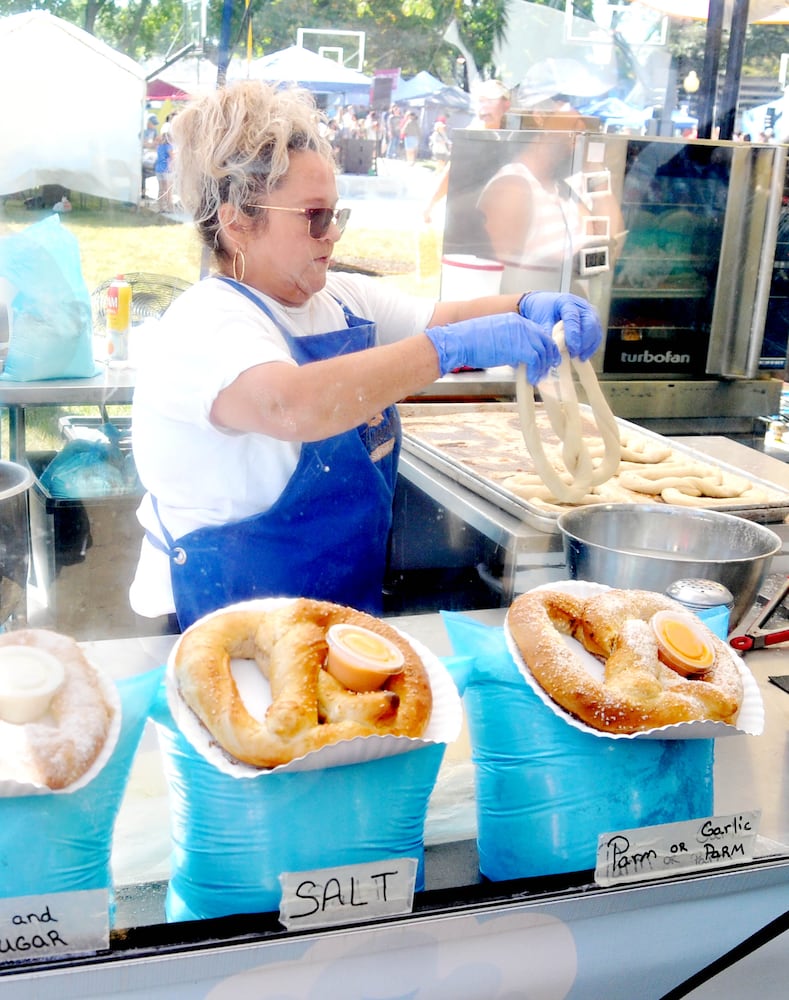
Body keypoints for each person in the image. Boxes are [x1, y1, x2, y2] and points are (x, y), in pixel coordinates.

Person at [129, 80, 603, 632]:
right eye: (314, 217)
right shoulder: (206, 323)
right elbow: (291, 406)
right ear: (237, 221)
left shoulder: (341, 301)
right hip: (213, 619)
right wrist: (449, 351)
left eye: (337, 216)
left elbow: (443, 318)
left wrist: (526, 305)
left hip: (328, 614)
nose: (332, 236)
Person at [424, 79, 511, 223]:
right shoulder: (471, 135)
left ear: (506, 105)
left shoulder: (515, 137)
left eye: (490, 101)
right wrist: (430, 205)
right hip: (472, 219)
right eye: (481, 101)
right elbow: (452, 172)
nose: (484, 107)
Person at [154, 127, 173, 212]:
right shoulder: (169, 146)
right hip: (166, 170)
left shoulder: (159, 147)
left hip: (158, 169)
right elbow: (173, 157)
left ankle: (160, 207)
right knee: (168, 190)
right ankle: (169, 208)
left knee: (161, 189)